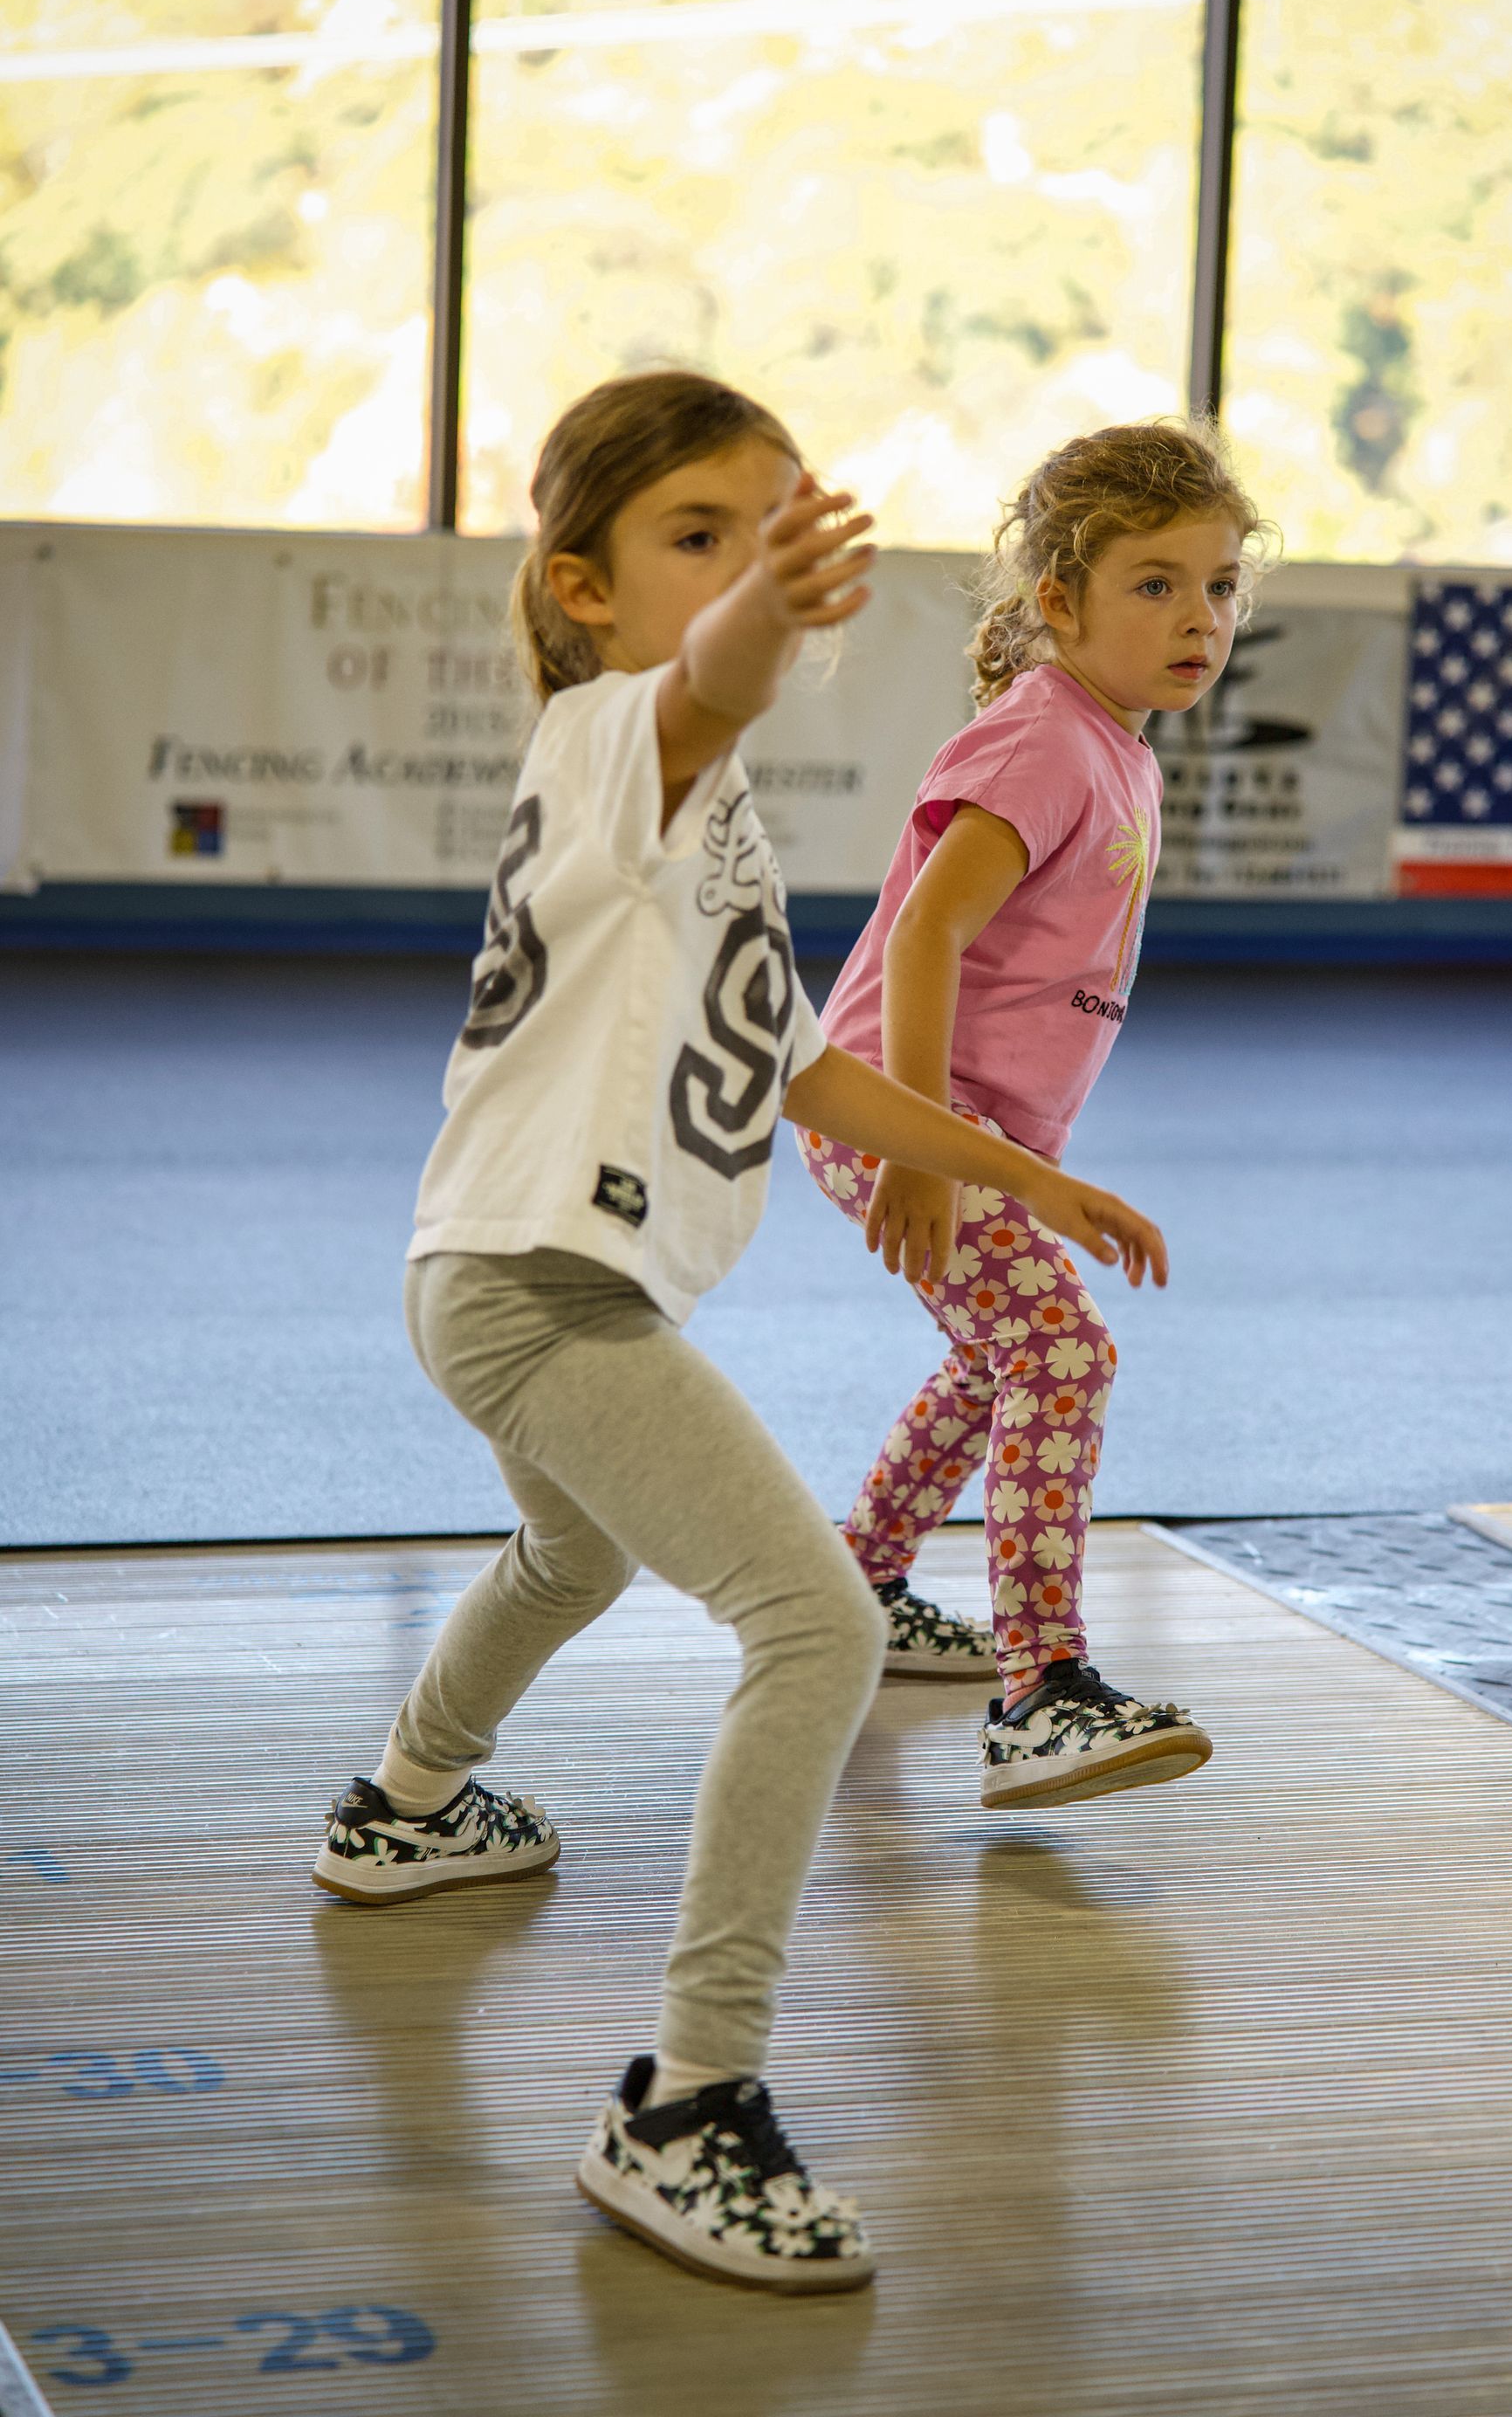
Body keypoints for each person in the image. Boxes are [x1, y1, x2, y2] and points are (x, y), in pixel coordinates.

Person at [310, 371, 1171, 2296]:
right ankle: (690, 2102)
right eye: (699, 534)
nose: (752, 567)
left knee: (573, 1547)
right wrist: (770, 598)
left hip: (507, 1277)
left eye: (775, 523)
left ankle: (403, 1807)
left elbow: (814, 1080)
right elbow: (715, 676)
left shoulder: (709, 837)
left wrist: (1042, 1185)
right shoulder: (620, 734)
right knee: (821, 1626)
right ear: (582, 590)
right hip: (535, 1296)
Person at [800, 417, 1275, 1812]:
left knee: (994, 1359)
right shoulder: (1042, 744)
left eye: (1222, 585)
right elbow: (923, 941)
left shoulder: (1116, 744)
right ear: (1058, 600)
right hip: (902, 1112)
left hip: (955, 1125)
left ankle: (861, 1589)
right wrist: (918, 1150)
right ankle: (1042, 1690)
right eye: (1155, 583)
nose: (1200, 617)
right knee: (1062, 1356)